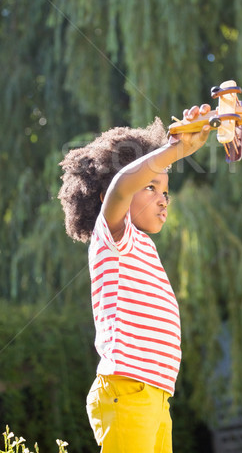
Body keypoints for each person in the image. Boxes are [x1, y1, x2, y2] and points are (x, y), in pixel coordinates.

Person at [58, 104, 211, 453]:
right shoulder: (113, 235)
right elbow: (122, 186)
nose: (163, 200)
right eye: (152, 188)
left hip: (155, 397)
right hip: (126, 391)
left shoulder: (143, 245)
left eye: (166, 192)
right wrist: (175, 150)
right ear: (107, 196)